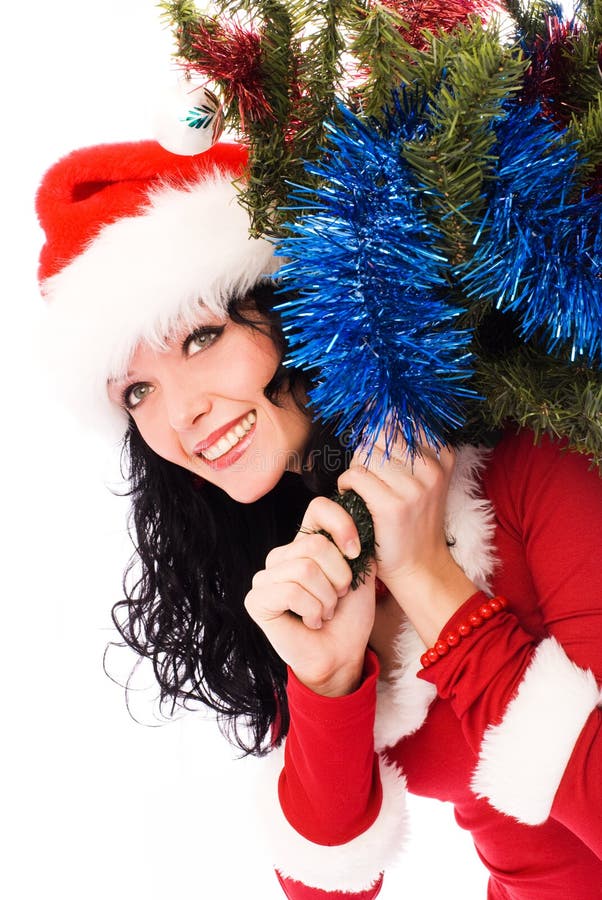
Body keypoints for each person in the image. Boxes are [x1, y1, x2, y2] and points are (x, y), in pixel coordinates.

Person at [36, 136, 602, 900]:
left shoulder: (534, 451)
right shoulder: (295, 559)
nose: (180, 414)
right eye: (135, 391)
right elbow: (325, 887)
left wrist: (431, 581)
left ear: (295, 307)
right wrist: (328, 684)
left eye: (202, 338)